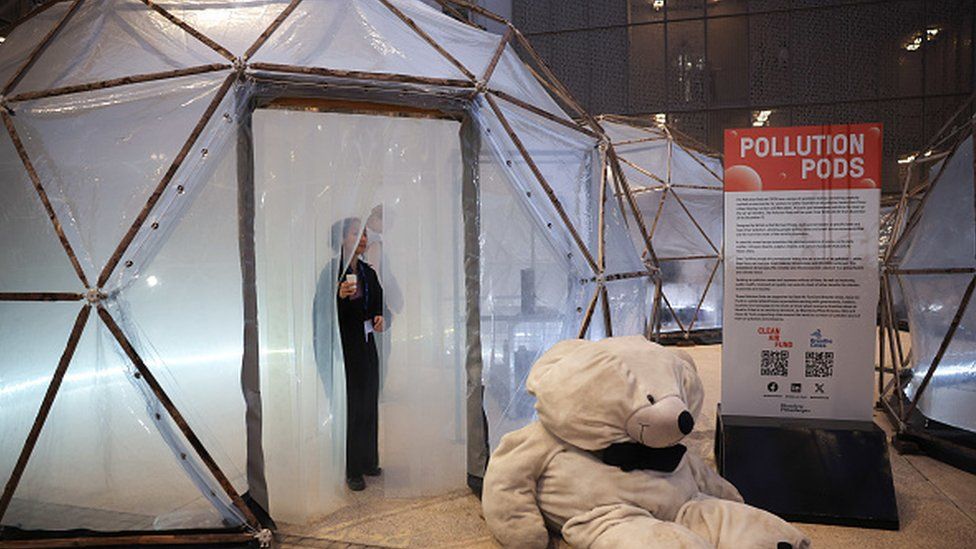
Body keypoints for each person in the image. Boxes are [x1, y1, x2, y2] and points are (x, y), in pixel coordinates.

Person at [331, 217, 385, 491]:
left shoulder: (368, 272)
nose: (363, 239)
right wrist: (338, 297)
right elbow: (322, 315)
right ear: (342, 239)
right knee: (352, 406)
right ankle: (352, 469)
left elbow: (378, 303)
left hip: (367, 345)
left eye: (365, 234)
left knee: (369, 403)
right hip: (345, 350)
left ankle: (367, 460)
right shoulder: (332, 274)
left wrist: (378, 317)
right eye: (356, 234)